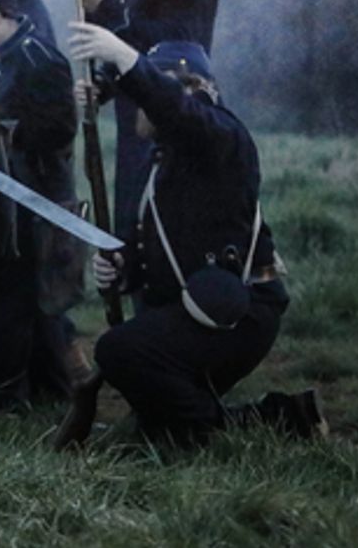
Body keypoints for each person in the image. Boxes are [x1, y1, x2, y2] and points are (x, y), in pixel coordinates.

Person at [56, 24, 326, 447]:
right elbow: (155, 237)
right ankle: (283, 419)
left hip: (239, 313)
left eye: (147, 97)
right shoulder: (167, 157)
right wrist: (121, 266)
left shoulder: (221, 137)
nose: (137, 110)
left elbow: (181, 113)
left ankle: (234, 430)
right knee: (153, 406)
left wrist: (128, 61)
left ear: (185, 89)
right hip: (199, 307)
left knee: (120, 351)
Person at [80, 0, 219, 255]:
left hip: (168, 134)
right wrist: (101, 88)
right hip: (136, 133)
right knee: (130, 242)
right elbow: (130, 54)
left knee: (160, 243)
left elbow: (172, 57)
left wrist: (106, 9)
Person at [0, 0, 82, 410]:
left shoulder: (38, 58)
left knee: (25, 306)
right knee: (15, 306)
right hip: (6, 201)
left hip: (35, 201)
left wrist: (1, 135)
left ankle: (14, 398)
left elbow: (59, 129)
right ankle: (31, 395)